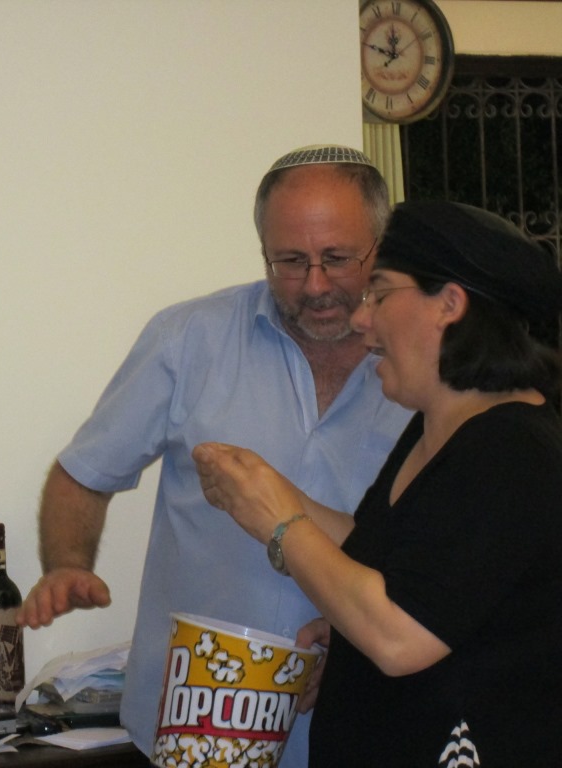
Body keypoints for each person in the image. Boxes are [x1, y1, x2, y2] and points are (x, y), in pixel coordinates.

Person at [16, 145, 414, 765]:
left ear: (379, 246)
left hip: (354, 726)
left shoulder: (421, 367)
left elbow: (431, 554)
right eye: (290, 261)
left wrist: (362, 639)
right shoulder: (187, 339)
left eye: (337, 259)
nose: (315, 285)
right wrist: (67, 563)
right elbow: (83, 473)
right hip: (191, 732)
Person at [192, 201, 562, 766]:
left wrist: (279, 521)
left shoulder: (512, 450)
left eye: (381, 294)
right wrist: (263, 489)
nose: (362, 319)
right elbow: (383, 556)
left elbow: (399, 636)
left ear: (449, 304)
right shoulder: (439, 426)